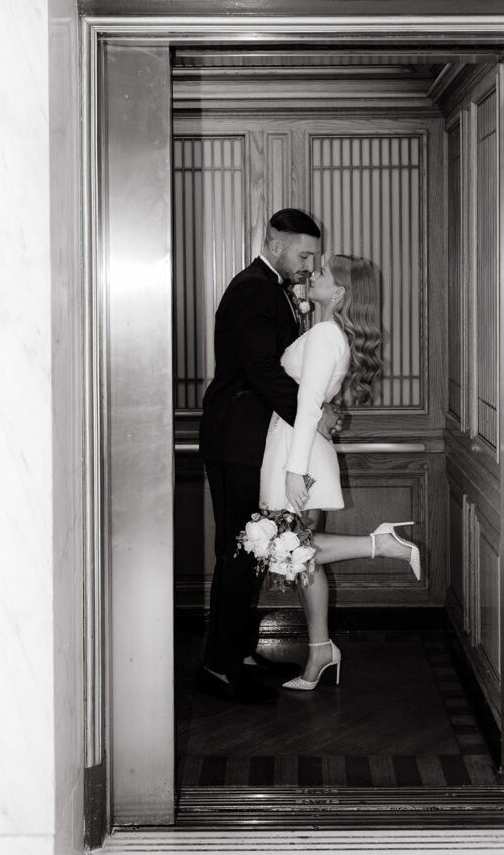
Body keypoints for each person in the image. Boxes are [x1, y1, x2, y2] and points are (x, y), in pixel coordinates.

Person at [259, 254, 421, 691]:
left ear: (340, 293)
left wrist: (294, 472)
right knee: (297, 556)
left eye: (323, 274)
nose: (313, 274)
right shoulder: (326, 330)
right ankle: (320, 653)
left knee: (289, 550)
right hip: (299, 447)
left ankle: (383, 544)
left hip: (300, 452)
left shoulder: (329, 335)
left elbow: (309, 403)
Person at [198, 209, 341, 704]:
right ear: (274, 243)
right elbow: (260, 369)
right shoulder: (253, 289)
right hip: (235, 438)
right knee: (237, 553)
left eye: (313, 258)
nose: (308, 265)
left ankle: (238, 652)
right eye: (303, 254)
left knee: (251, 553)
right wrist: (316, 412)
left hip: (249, 440)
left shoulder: (271, 286)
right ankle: (218, 667)